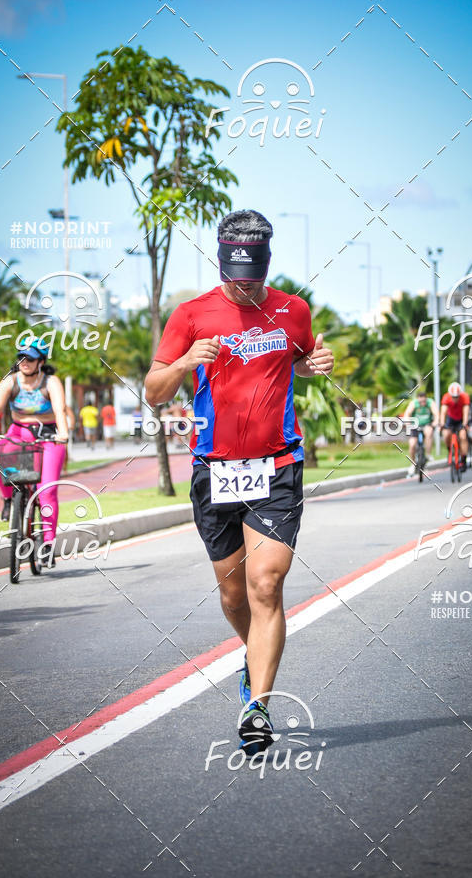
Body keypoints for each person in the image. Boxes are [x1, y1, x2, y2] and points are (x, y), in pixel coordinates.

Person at [145, 209, 334, 755]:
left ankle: (258, 708)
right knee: (233, 594)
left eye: (252, 279)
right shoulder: (191, 314)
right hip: (214, 470)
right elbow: (155, 391)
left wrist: (313, 364)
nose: (243, 288)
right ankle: (253, 657)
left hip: (276, 466)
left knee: (266, 584)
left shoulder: (292, 310)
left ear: (266, 266)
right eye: (234, 278)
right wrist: (182, 363)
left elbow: (293, 361)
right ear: (222, 262)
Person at [0, 336, 68, 565]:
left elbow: (60, 409)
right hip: (18, 432)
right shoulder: (11, 382)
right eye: (21, 357)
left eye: (30, 358)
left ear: (41, 361)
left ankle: (47, 544)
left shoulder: (51, 382)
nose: (24, 361)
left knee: (47, 491)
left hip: (48, 436)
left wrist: (64, 433)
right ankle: (9, 500)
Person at [404, 390, 438, 476]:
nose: (422, 403)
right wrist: (408, 423)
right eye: (420, 401)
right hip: (415, 426)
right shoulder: (414, 403)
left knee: (429, 432)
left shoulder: (430, 402)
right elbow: (407, 413)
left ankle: (428, 454)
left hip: (427, 424)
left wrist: (435, 423)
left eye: (424, 401)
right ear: (418, 399)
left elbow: (436, 414)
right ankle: (413, 463)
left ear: (426, 399)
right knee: (412, 444)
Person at [440, 381, 470, 471]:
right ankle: (450, 450)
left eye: (457, 397)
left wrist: (464, 424)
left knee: (463, 436)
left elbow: (466, 412)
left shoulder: (464, 397)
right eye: (453, 397)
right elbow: (443, 412)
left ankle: (464, 460)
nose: (455, 399)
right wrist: (442, 423)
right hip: (451, 419)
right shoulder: (446, 397)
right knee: (446, 434)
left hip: (461, 419)